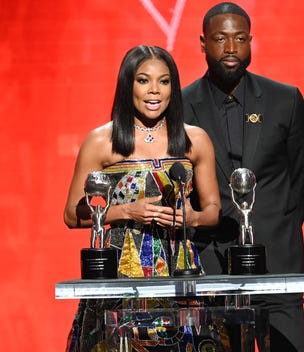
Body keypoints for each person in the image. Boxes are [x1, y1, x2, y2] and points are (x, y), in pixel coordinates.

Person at [63, 45, 221, 351]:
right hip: (120, 271)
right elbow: (72, 214)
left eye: (164, 82)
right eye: (143, 80)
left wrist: (194, 218)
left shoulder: (195, 139)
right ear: (127, 85)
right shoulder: (101, 141)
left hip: (181, 270)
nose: (154, 91)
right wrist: (126, 211)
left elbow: (213, 209)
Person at [182, 2, 304, 352]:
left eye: (240, 39)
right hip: (212, 265)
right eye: (221, 39)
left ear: (251, 41)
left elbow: (302, 178)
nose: (231, 49)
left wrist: (277, 225)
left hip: (279, 266)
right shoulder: (182, 105)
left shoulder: (284, 100)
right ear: (202, 43)